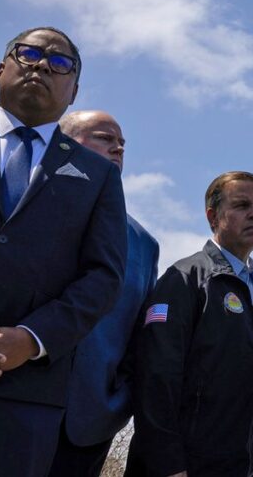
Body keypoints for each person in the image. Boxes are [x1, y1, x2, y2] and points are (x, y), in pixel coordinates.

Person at [0, 27, 127, 477]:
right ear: (1, 68)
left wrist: (31, 339)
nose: (42, 64)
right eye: (28, 53)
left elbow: (103, 277)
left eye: (60, 62)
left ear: (73, 92)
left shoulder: (98, 175)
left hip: (26, 403)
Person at [128, 171, 253, 477]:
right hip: (184, 468)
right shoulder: (184, 279)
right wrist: (168, 465)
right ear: (213, 216)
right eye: (242, 205)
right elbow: (155, 379)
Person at [49, 110, 159, 476]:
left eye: (122, 144)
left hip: (88, 425)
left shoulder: (143, 244)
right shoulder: (22, 207)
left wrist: (117, 401)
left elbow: (140, 336)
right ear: (61, 144)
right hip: (6, 406)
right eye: (104, 138)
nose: (117, 148)